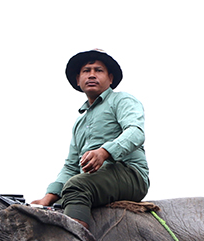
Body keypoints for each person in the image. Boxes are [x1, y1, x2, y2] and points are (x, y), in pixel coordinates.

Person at [31, 49, 149, 227]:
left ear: (110, 78)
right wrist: (48, 197)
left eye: (98, 70)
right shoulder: (80, 123)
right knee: (55, 209)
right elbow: (71, 166)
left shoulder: (121, 100)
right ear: (78, 80)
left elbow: (136, 132)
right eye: (86, 71)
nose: (92, 75)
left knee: (76, 187)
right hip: (91, 181)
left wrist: (105, 152)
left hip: (129, 174)